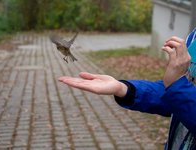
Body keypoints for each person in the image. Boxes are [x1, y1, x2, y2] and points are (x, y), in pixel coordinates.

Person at [58, 28, 196, 150]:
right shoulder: (194, 37)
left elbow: (178, 89)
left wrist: (177, 85)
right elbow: (173, 96)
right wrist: (125, 89)